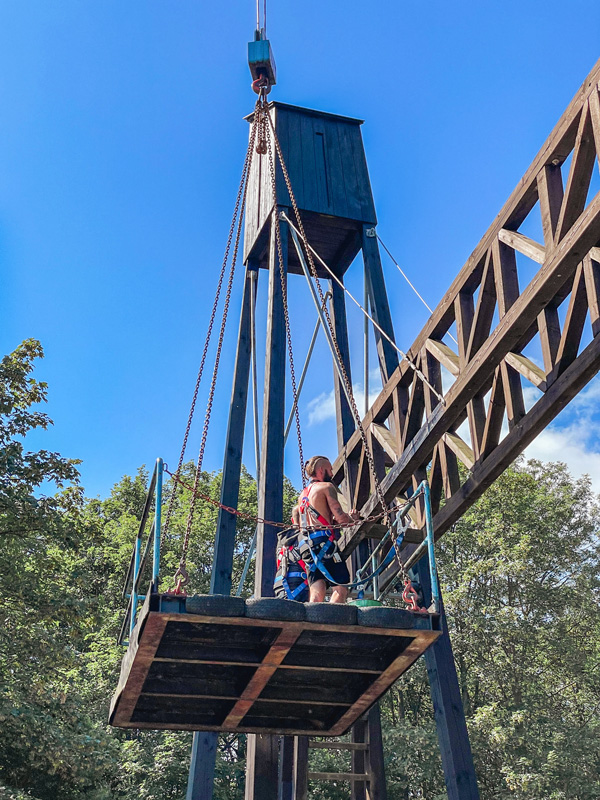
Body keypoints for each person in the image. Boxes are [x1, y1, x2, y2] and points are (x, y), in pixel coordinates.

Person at [293, 455, 360, 604]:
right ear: (321, 470)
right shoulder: (326, 487)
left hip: (306, 546)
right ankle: (331, 617)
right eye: (330, 470)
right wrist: (353, 519)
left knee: (317, 589)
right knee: (341, 588)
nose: (332, 474)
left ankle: (314, 617)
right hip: (324, 543)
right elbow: (342, 519)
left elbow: (314, 521)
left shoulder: (302, 495)